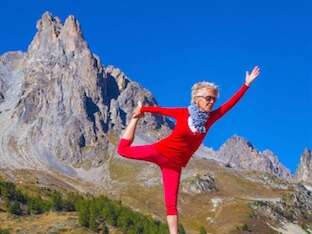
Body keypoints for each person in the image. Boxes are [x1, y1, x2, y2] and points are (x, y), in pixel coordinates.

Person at [117, 66, 261, 234]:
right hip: (159, 151)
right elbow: (160, 110)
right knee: (122, 150)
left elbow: (229, 105)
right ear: (196, 98)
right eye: (208, 98)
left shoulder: (210, 119)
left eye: (214, 99)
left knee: (171, 204)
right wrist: (140, 111)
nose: (211, 102)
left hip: (174, 165)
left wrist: (246, 84)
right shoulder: (182, 113)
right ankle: (133, 121)